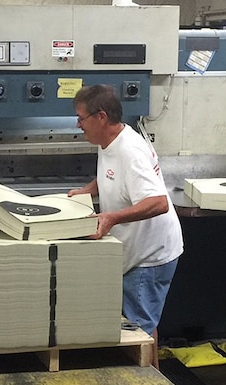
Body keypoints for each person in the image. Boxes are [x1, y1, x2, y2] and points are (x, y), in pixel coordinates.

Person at [68, 84, 183, 367]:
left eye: (81, 118)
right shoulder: (107, 143)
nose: (78, 124)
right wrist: (88, 191)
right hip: (136, 252)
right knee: (142, 328)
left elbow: (159, 202)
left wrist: (111, 218)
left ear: (101, 117)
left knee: (139, 333)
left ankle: (148, 376)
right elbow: (112, 176)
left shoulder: (130, 150)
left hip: (150, 256)